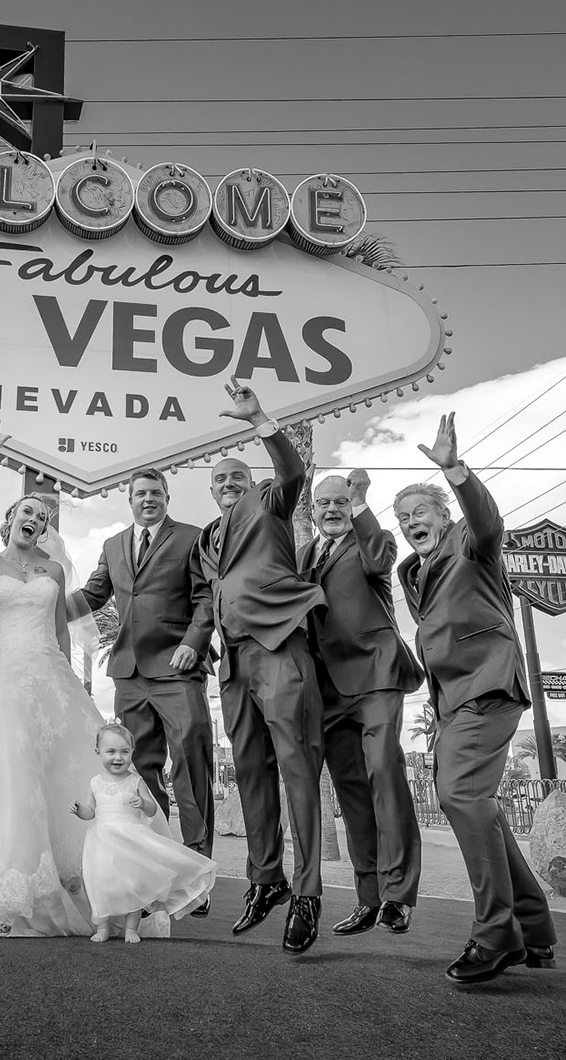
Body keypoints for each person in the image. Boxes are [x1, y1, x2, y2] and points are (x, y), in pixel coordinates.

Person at [394, 412, 556, 984]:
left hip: (489, 684)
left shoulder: (472, 542)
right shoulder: (410, 571)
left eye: (423, 511)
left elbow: (487, 521)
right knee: (476, 802)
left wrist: (455, 471)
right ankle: (533, 928)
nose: (413, 521)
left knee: (460, 794)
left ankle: (496, 935)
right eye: (404, 517)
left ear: (444, 516)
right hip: (452, 701)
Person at [0, 420, 106, 938]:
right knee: (11, 777)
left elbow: (59, 635)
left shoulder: (52, 573)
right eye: (27, 511)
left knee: (59, 775)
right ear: (12, 520)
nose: (34, 517)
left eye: (43, 515)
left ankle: (74, 881)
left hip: (49, 681)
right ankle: (10, 889)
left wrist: (73, 689)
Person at [200, 379, 329, 956]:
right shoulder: (209, 538)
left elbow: (292, 473)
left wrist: (261, 424)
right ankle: (266, 879)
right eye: (219, 480)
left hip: (279, 648)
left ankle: (307, 894)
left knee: (297, 771)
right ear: (210, 491)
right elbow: (211, 595)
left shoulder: (270, 504)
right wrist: (199, 637)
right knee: (250, 772)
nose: (228, 485)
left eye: (236, 477)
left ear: (250, 483)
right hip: (233, 665)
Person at [68, 468, 217, 903]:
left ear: (167, 496)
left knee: (190, 764)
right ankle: (156, 868)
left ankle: (198, 870)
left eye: (155, 492)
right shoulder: (113, 545)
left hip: (177, 666)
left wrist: (193, 642)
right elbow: (95, 594)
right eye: (140, 494)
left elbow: (206, 596)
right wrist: (48, 603)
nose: (147, 499)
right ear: (129, 500)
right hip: (130, 672)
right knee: (139, 773)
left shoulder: (192, 537)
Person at [301, 470, 424, 938]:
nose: (332, 509)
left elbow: (376, 562)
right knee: (351, 792)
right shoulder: (305, 554)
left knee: (383, 772)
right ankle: (368, 899)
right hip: (328, 687)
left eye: (340, 502)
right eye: (323, 504)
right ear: (312, 511)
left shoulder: (375, 539)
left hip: (375, 672)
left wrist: (360, 503)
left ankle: (398, 897)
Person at [72, 722, 217, 944]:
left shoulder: (135, 781)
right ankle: (102, 928)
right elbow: (91, 812)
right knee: (100, 884)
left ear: (132, 753)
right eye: (111, 752)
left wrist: (142, 803)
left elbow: (151, 808)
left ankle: (132, 928)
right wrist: (80, 810)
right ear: (98, 753)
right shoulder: (95, 783)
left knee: (134, 885)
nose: (118, 757)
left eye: (124, 752)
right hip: (101, 842)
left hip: (131, 840)